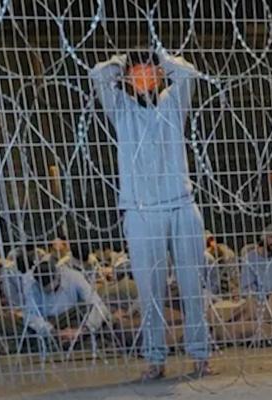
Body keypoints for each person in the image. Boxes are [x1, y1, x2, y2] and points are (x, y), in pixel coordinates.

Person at [90, 47, 211, 379]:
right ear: (128, 79)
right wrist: (122, 63)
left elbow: (187, 73)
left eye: (149, 70)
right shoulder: (122, 110)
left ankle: (200, 354)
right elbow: (98, 75)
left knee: (192, 286)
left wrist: (161, 57)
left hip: (181, 205)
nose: (144, 75)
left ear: (159, 76)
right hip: (141, 211)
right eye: (137, 71)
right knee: (149, 291)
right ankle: (155, 358)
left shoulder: (173, 104)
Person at [22, 254, 111, 346]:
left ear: (58, 275)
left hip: (75, 319)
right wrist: (54, 332)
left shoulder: (74, 277)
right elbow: (30, 316)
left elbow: (99, 306)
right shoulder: (32, 286)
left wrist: (82, 330)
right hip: (50, 325)